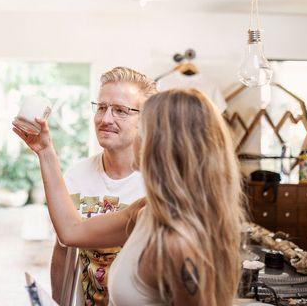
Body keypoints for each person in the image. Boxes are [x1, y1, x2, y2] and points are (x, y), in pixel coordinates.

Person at [13, 89, 245, 306]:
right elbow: (71, 231)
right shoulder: (145, 211)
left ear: (163, 144)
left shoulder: (177, 243)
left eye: (142, 129)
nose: (136, 137)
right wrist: (45, 151)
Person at [50, 67, 157, 305]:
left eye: (120, 110)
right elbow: (63, 247)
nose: (105, 119)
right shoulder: (76, 177)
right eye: (101, 107)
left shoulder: (158, 187)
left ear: (146, 120)